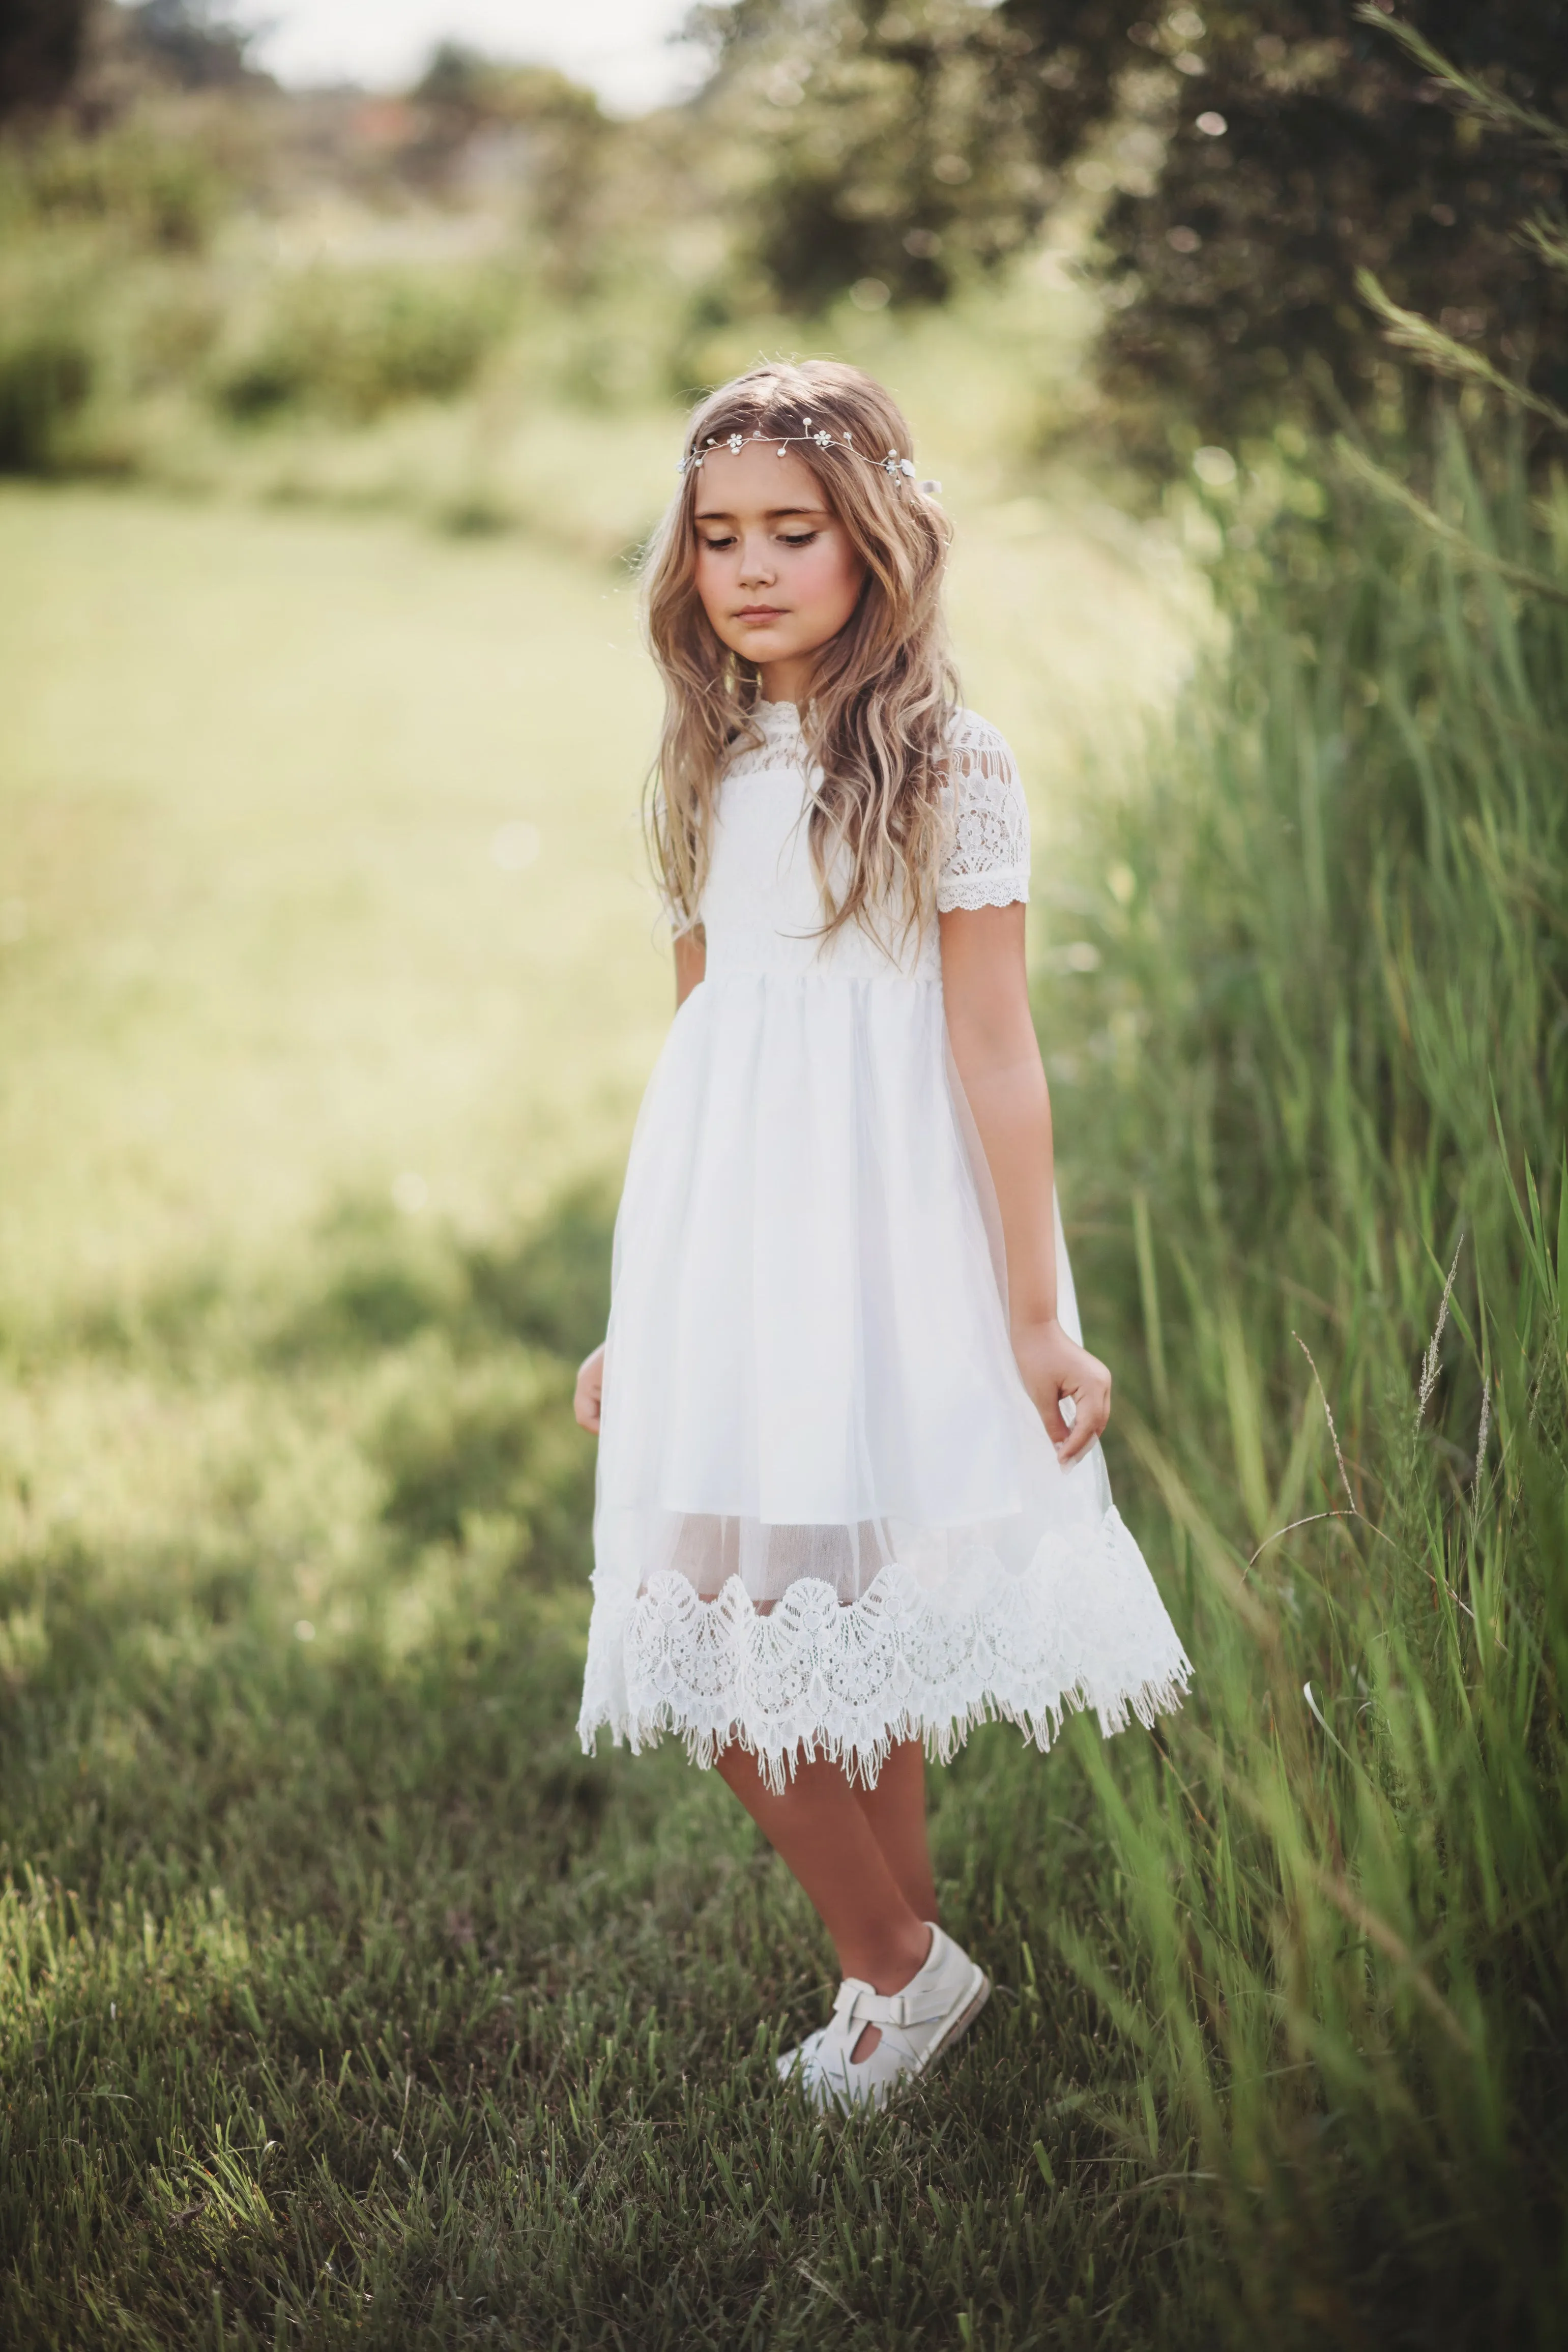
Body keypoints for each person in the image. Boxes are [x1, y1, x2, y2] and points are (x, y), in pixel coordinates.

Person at [572, 360, 1190, 2112]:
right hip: (731, 1237)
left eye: (796, 530)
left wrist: (1035, 1315)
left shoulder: (944, 762)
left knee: (854, 1621)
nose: (752, 567)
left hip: (889, 1231)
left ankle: (895, 1974)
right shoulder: (702, 761)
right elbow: (701, 1041)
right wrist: (650, 1311)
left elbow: (995, 1050)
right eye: (717, 536)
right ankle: (901, 1968)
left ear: (878, 541)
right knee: (727, 1626)